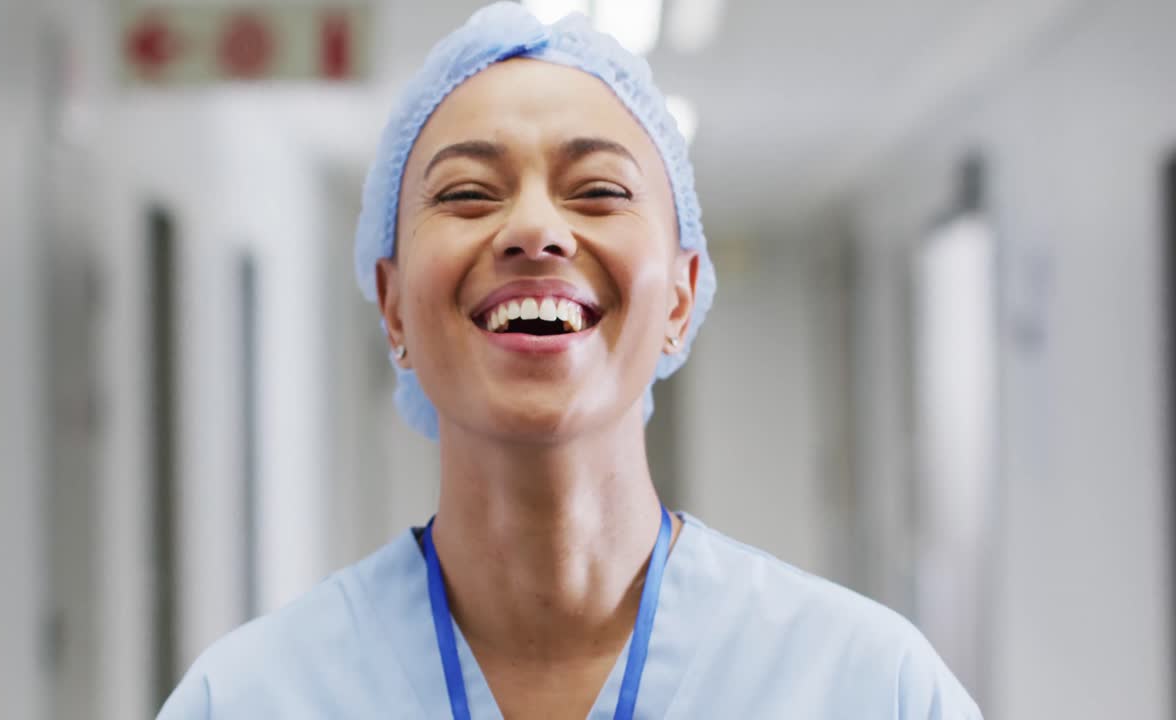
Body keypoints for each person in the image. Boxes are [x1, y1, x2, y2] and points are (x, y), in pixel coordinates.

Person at [158, 4, 982, 718]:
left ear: (683, 297)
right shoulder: (248, 699)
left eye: (598, 189)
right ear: (393, 302)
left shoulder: (870, 689)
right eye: (467, 193)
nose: (533, 230)